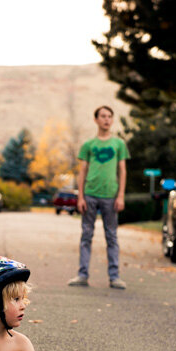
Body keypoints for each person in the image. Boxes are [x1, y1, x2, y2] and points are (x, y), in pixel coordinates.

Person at [69, 105, 130, 290]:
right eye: (103, 116)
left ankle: (114, 277)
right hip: (90, 195)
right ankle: (82, 275)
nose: (106, 119)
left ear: (112, 120)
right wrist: (80, 197)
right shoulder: (89, 145)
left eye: (109, 116)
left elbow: (122, 170)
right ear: (96, 119)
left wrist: (120, 195)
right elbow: (82, 171)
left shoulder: (119, 144)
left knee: (111, 236)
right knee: (86, 235)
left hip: (110, 197)